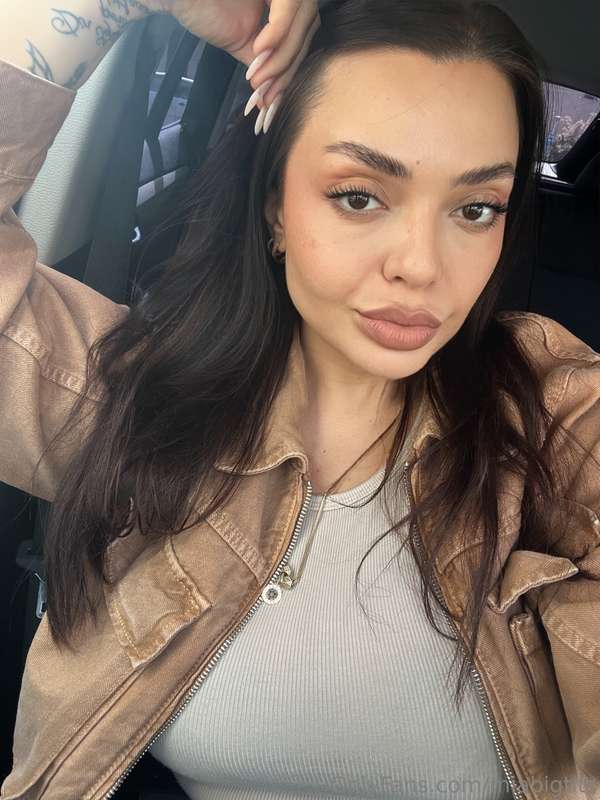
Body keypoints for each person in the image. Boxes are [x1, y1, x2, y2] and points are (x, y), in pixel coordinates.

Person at [0, 1, 599, 798]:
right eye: (358, 195)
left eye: (474, 208)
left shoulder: (549, 407)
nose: (422, 266)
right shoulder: (138, 396)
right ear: (276, 206)